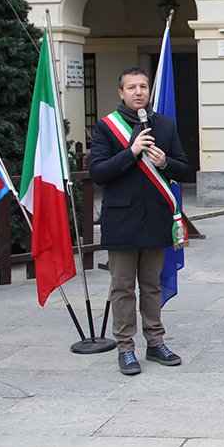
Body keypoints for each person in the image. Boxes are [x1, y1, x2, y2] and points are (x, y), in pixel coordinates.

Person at [89, 67, 190, 375]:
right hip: (122, 220)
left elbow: (183, 169)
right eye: (131, 87)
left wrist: (165, 163)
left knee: (151, 286)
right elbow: (98, 172)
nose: (138, 92)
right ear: (121, 93)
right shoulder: (107, 127)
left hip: (155, 218)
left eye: (143, 86)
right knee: (122, 288)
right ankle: (125, 348)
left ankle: (155, 342)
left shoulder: (164, 124)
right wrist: (131, 152)